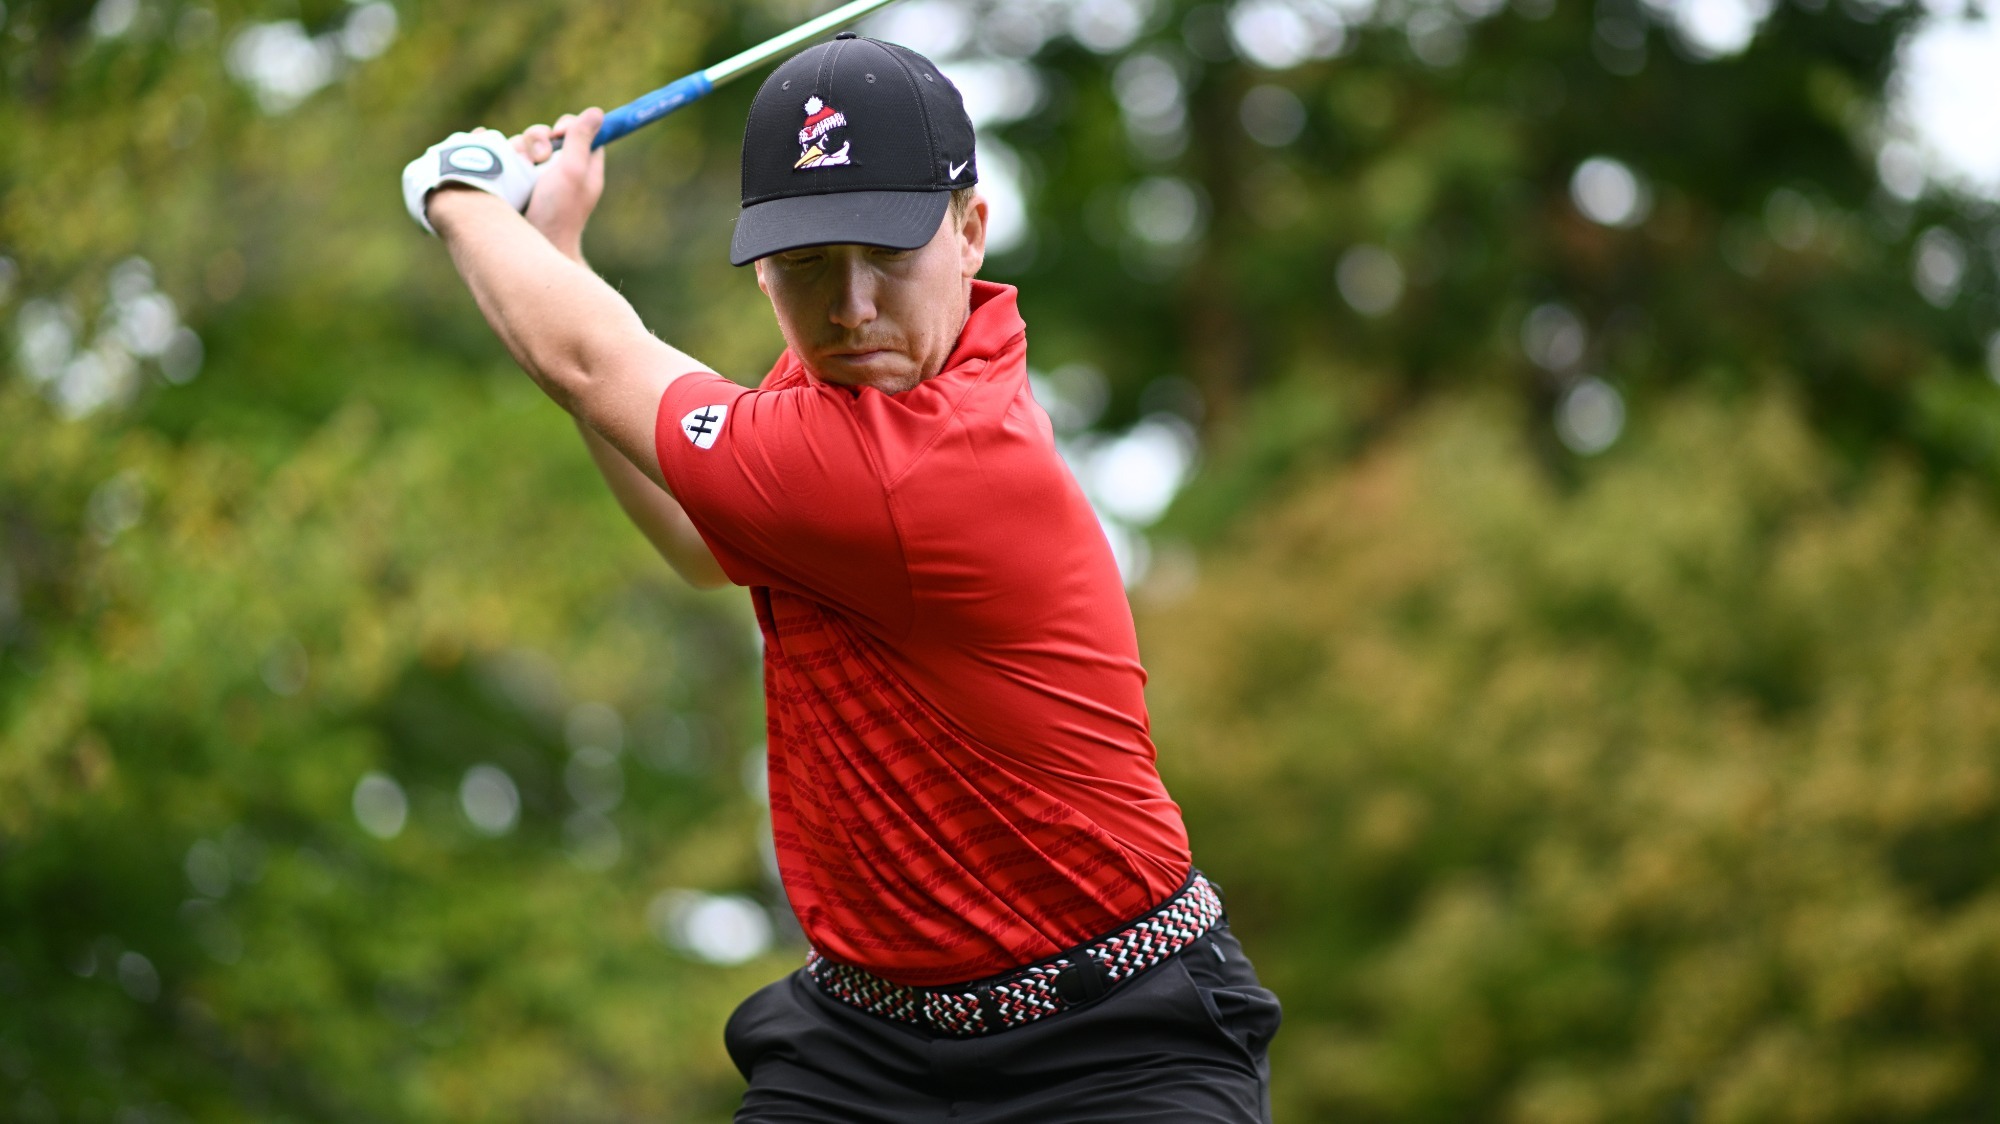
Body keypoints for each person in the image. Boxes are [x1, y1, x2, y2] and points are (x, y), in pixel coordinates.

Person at [401, 32, 1280, 1123]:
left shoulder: (933, 459)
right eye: (805, 264)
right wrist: (559, 255)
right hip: (864, 1044)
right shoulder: (827, 405)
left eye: (885, 252)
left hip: (1113, 1047)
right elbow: (691, 530)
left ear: (968, 233)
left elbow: (589, 362)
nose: (848, 307)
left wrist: (460, 194)